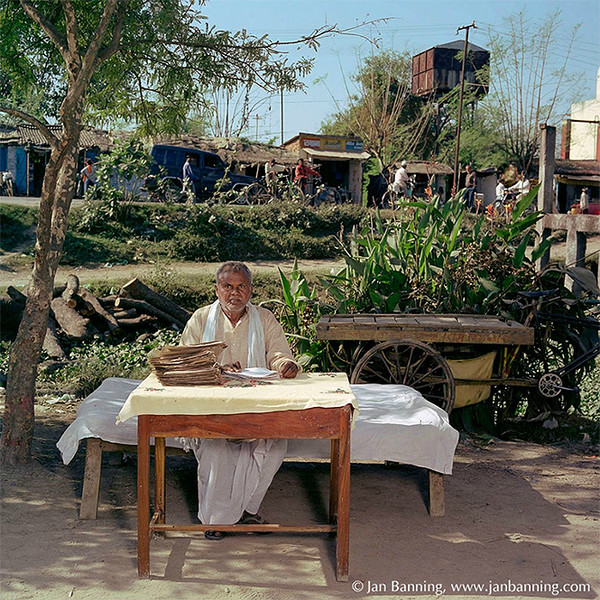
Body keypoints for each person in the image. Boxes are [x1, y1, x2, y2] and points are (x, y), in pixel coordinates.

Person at [179, 261, 300, 539]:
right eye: (228, 286)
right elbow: (185, 361)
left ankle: (246, 511)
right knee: (217, 450)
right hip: (213, 409)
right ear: (217, 289)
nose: (234, 293)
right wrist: (216, 369)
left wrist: (285, 365)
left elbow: (279, 353)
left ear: (250, 290)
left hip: (255, 406)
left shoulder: (264, 318)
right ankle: (217, 521)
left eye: (241, 286)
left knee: (275, 446)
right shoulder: (200, 319)